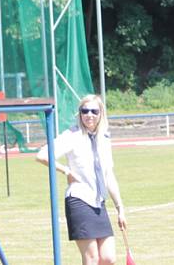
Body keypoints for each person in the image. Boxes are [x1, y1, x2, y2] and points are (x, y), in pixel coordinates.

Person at [36, 94, 127, 265]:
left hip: (99, 203)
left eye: (94, 111)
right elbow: (42, 155)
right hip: (79, 200)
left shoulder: (104, 138)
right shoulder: (72, 135)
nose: (89, 115)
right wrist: (66, 170)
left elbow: (109, 175)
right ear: (80, 114)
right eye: (85, 111)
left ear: (101, 114)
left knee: (108, 258)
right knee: (92, 258)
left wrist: (120, 208)